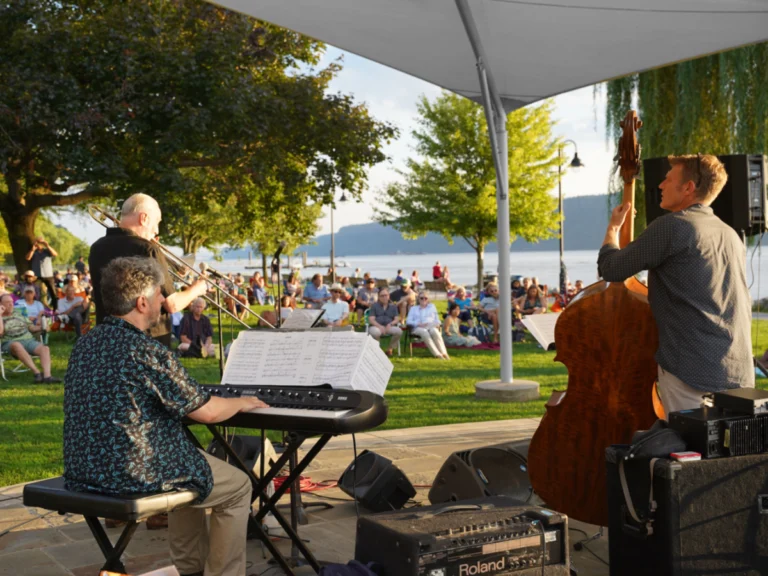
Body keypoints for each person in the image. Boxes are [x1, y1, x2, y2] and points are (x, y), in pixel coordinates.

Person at [63, 257, 268, 576]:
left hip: (84, 467)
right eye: (160, 294)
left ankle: (189, 569)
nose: (164, 300)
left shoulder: (85, 344)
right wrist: (241, 401)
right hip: (130, 472)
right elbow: (210, 412)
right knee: (238, 486)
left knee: (192, 463)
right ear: (142, 302)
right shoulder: (145, 350)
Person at [599, 154, 754, 414]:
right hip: (737, 366)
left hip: (691, 370)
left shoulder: (673, 226)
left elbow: (611, 268)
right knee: (726, 450)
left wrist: (614, 229)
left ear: (689, 188)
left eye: (668, 180)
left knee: (687, 450)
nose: (660, 185)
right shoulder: (729, 234)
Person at [89, 194, 207, 348]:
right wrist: (196, 290)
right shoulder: (147, 248)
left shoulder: (97, 247)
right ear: (144, 218)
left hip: (108, 338)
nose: (156, 231)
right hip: (148, 339)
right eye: (156, 223)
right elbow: (172, 305)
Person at [0, 293, 60, 383]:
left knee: (45, 348)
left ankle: (47, 377)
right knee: (16, 345)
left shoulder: (18, 312)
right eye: (7, 302)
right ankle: (37, 373)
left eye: (12, 302)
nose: (11, 304)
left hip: (27, 340)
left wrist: (42, 327)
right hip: (9, 342)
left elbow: (31, 327)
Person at [406, 292, 449, 359]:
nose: (424, 300)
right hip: (418, 327)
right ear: (418, 299)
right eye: (421, 298)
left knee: (435, 331)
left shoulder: (432, 307)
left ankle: (444, 353)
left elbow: (437, 320)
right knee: (424, 332)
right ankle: (437, 354)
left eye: (426, 298)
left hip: (430, 326)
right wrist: (418, 323)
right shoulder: (413, 309)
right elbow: (408, 321)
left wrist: (436, 324)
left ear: (428, 299)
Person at [26, 236, 58, 309]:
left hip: (48, 275)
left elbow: (55, 254)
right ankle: (36, 307)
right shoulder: (33, 252)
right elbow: (28, 258)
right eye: (37, 242)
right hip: (37, 276)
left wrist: (47, 245)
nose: (38, 244)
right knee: (36, 292)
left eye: (40, 242)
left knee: (53, 292)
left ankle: (56, 308)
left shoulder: (47, 251)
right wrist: (32, 250)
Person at [368, 288, 402, 356]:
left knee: (399, 331)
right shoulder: (374, 306)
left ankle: (389, 349)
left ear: (388, 296)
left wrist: (390, 324)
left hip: (389, 326)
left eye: (386, 295)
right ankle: (377, 349)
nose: (384, 297)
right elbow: (371, 319)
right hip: (376, 326)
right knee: (375, 332)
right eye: (382, 296)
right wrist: (380, 326)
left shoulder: (393, 307)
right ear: (379, 297)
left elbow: (396, 319)